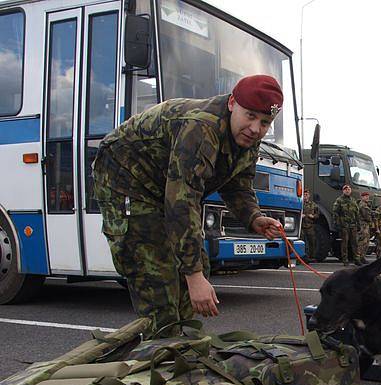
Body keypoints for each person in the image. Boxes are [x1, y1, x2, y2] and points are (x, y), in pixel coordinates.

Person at [92, 74, 284, 335]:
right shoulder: (200, 128)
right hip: (127, 180)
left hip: (166, 187)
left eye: (264, 122)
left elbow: (238, 183)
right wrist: (194, 278)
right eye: (250, 116)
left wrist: (254, 217)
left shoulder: (247, 137)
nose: (255, 128)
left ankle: (180, 347)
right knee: (157, 278)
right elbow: (182, 202)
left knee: (196, 268)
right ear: (231, 104)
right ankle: (161, 349)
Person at [333, 184, 361, 265]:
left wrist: (358, 224)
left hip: (353, 226)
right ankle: (345, 260)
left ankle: (357, 259)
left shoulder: (353, 200)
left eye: (349, 189)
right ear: (343, 191)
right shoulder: (339, 200)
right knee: (344, 243)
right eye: (346, 189)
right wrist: (337, 224)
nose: (347, 190)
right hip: (344, 226)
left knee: (355, 243)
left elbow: (357, 213)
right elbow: (335, 213)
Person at [300, 190, 319, 262]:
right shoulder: (300, 204)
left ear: (309, 195)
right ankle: (302, 257)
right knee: (302, 242)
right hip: (301, 226)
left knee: (312, 242)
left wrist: (313, 216)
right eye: (304, 194)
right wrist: (300, 216)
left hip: (310, 226)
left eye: (306, 194)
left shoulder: (313, 205)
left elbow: (317, 215)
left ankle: (312, 257)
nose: (305, 196)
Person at [357, 192, 373, 263]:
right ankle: (359, 258)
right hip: (362, 226)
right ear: (362, 197)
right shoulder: (362, 205)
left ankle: (362, 257)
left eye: (368, 196)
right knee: (362, 242)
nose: (367, 197)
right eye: (365, 196)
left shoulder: (366, 205)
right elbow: (366, 216)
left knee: (366, 242)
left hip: (365, 226)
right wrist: (371, 217)